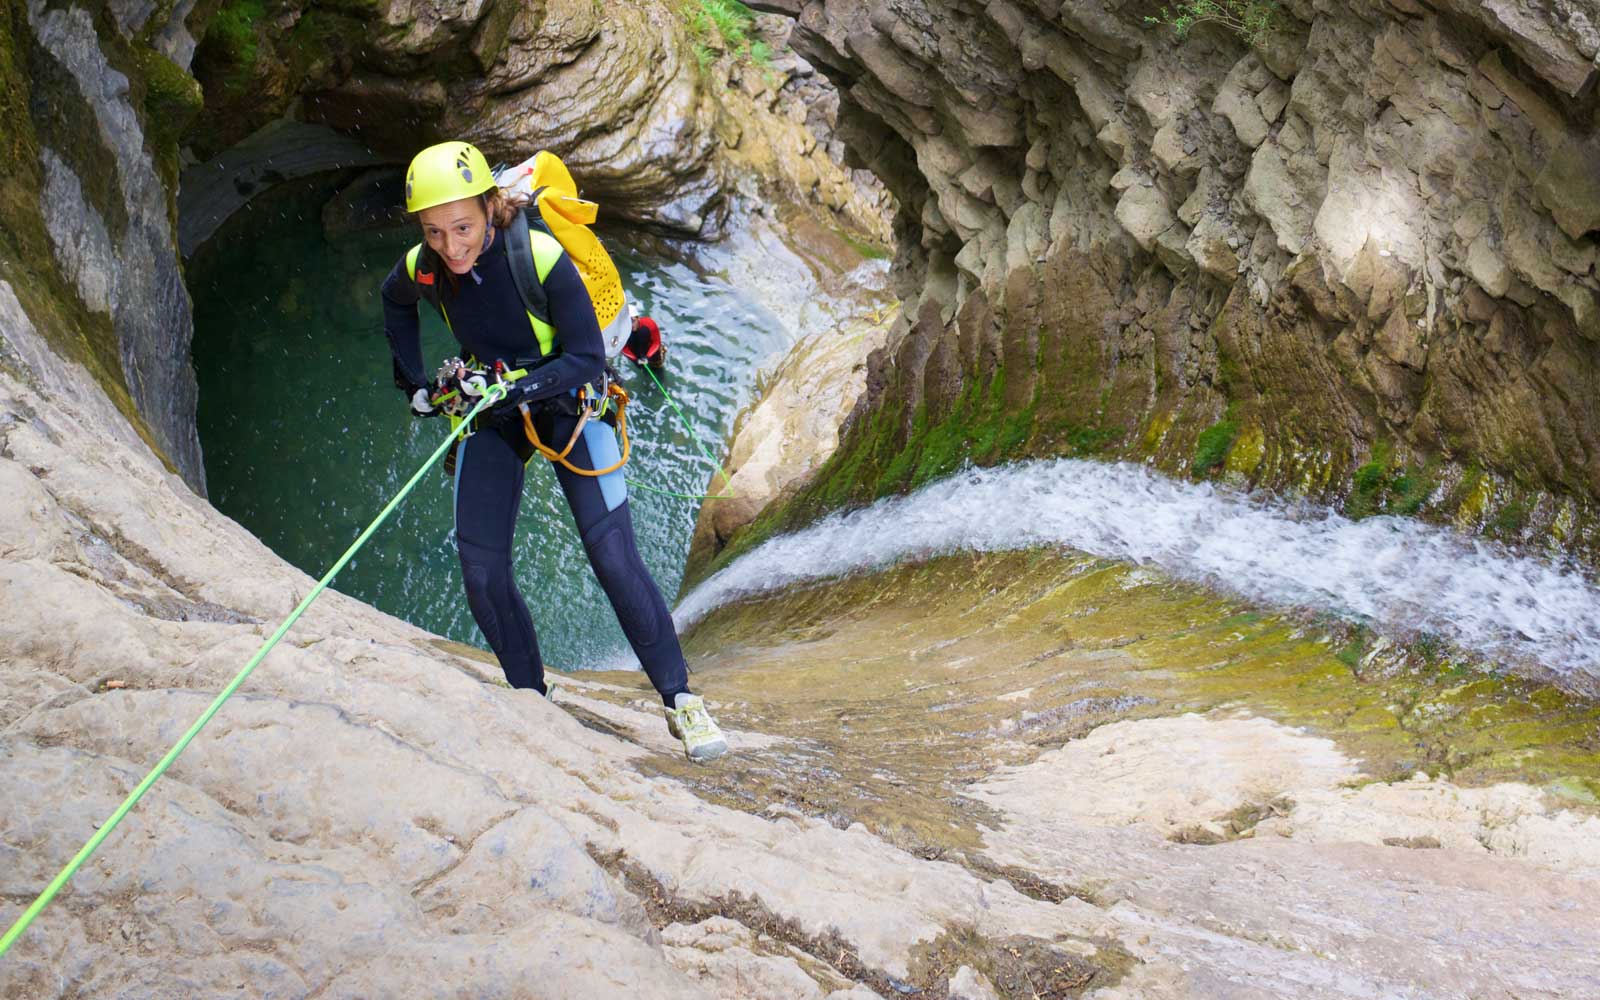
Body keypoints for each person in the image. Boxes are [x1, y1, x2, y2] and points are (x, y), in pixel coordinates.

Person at [379, 140, 727, 762]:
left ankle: (681, 701)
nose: (451, 247)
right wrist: (415, 386)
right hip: (496, 410)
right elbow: (394, 300)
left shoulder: (538, 258)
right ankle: (529, 699)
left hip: (568, 403)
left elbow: (586, 358)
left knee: (613, 558)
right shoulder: (425, 266)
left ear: (491, 207)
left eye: (462, 227)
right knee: (481, 574)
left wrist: (515, 388)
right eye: (433, 232)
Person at [622, 306, 668, 371]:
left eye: (633, 321)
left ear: (638, 318)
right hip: (637, 356)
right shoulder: (622, 331)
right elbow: (623, 348)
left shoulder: (649, 324)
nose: (631, 325)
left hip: (651, 352)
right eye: (628, 322)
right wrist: (635, 360)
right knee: (644, 370)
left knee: (658, 369)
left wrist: (648, 357)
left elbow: (656, 342)